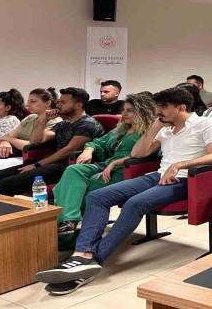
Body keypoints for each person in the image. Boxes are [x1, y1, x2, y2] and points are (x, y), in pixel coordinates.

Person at [35, 87, 212, 294]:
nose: (158, 111)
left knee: (135, 203)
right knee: (97, 197)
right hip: (157, 176)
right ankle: (83, 254)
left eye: (163, 107)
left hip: (186, 180)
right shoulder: (165, 128)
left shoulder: (205, 123)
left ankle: (94, 260)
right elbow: (138, 153)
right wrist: (155, 126)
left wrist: (179, 165)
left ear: (180, 108)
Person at [52, 92, 157, 239]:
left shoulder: (149, 132)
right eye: (124, 110)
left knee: (73, 189)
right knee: (73, 170)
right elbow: (97, 142)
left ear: (142, 112)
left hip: (126, 170)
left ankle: (66, 235)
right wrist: (88, 150)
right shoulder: (121, 129)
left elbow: (150, 155)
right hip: (105, 165)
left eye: (130, 111)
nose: (124, 114)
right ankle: (69, 220)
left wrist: (117, 162)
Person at [0, 88, 105, 196]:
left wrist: (37, 165)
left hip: (68, 165)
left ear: (78, 106)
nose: (58, 105)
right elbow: (35, 141)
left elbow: (69, 150)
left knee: (7, 184)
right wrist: (43, 120)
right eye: (59, 101)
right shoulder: (64, 123)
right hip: (50, 162)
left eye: (63, 102)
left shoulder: (87, 124)